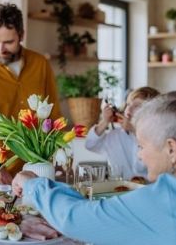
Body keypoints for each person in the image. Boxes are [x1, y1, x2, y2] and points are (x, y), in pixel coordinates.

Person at [12, 93, 176, 245]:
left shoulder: (162, 200)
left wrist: (32, 183)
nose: (140, 155)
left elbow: (74, 219)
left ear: (171, 149)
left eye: (141, 146)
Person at [0, 3, 61, 182]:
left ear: (21, 35)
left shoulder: (41, 64)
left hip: (40, 165)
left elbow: (53, 112)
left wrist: (57, 157)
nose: (1, 49)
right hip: (2, 170)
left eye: (8, 42)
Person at [85, 86, 160, 180]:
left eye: (137, 106)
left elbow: (141, 166)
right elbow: (90, 144)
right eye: (128, 104)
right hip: (119, 189)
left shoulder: (158, 138)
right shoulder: (115, 135)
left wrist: (134, 130)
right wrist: (104, 122)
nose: (129, 108)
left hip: (150, 191)